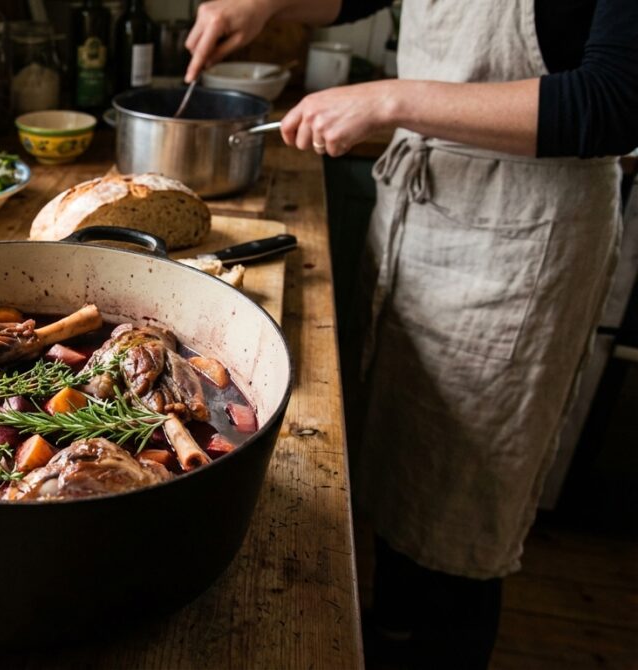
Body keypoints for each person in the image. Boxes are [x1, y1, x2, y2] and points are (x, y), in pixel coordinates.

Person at [185, 0, 638, 667]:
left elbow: (616, 101)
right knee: (407, 466)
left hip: (522, 234)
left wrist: (390, 99)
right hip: (426, 219)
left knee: (463, 509)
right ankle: (391, 629)